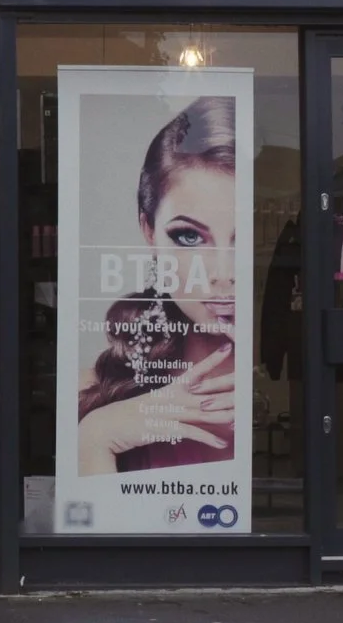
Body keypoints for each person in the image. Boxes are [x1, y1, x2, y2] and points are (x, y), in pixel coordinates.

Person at [77, 96, 240, 475]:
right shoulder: (95, 390)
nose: (221, 273)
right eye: (189, 237)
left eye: (242, 239)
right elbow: (96, 530)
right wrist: (94, 439)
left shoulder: (304, 382)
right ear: (148, 231)